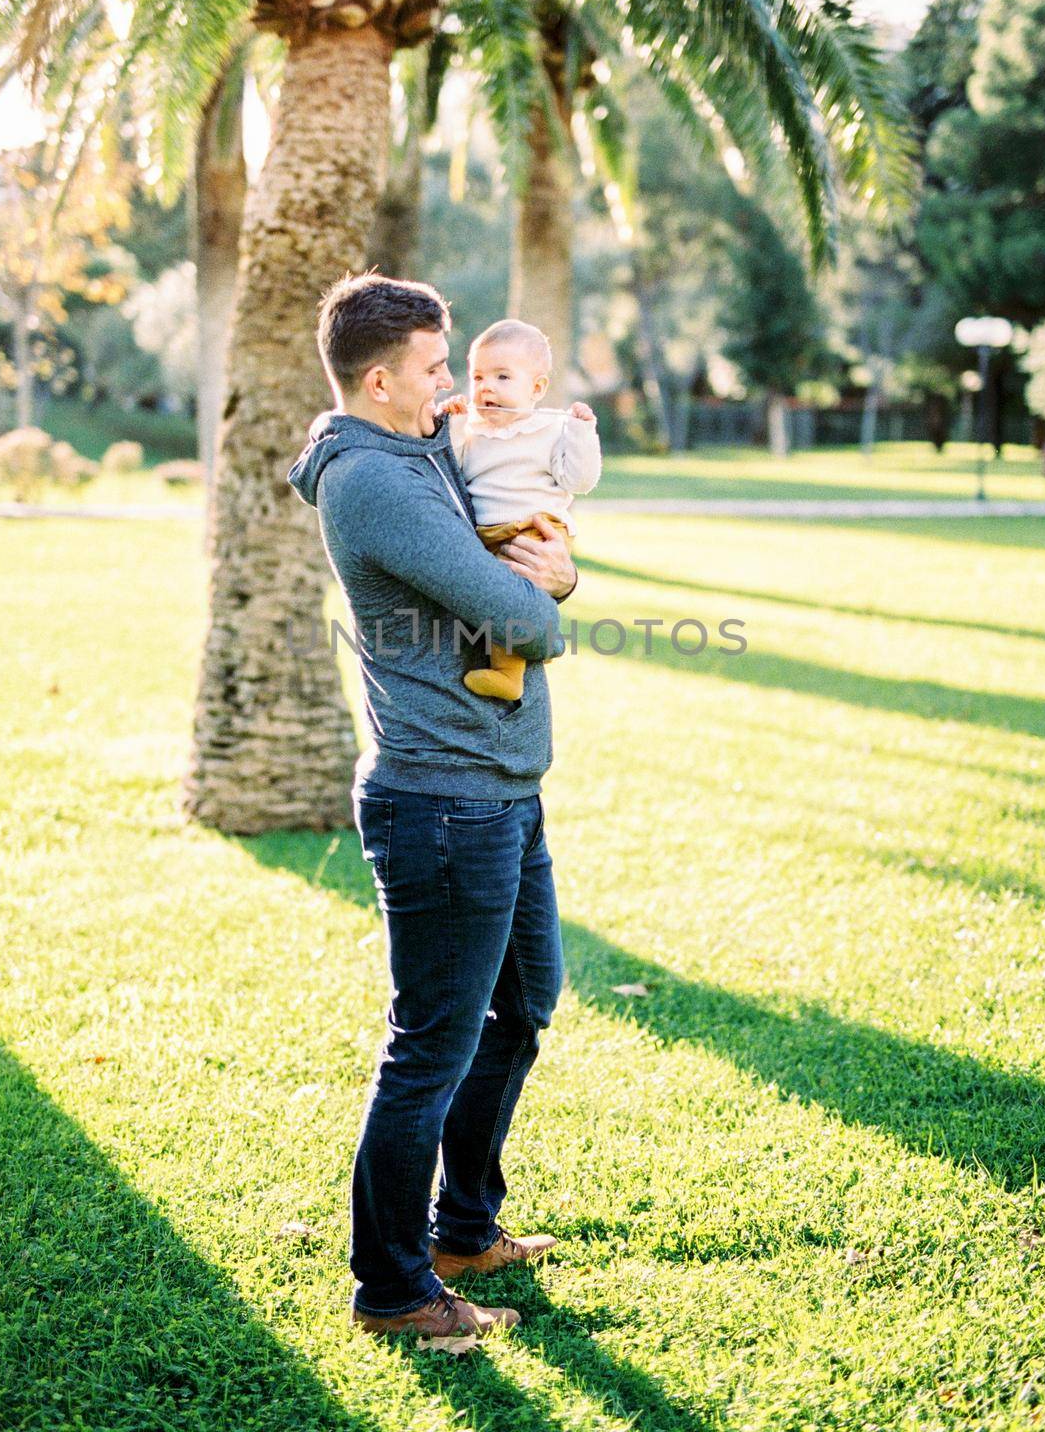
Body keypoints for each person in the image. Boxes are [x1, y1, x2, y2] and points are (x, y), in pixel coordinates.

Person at [286, 273, 578, 1344]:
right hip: (444, 802)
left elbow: (525, 550)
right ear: (376, 378)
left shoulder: (421, 452)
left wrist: (551, 572)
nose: (451, 383)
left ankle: (464, 1229)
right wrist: (551, 590)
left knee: (519, 1010)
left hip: (499, 788)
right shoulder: (373, 478)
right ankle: (394, 1286)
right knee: (432, 1046)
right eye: (431, 367)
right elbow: (520, 614)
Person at [438, 317, 602, 700]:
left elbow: (580, 481)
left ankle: (507, 674)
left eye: (502, 377)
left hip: (535, 528)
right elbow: (452, 469)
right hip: (485, 535)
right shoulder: (475, 431)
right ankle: (499, 658)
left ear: (537, 388)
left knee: (515, 595)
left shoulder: (550, 430)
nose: (486, 388)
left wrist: (581, 433)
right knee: (487, 596)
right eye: (478, 378)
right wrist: (456, 425)